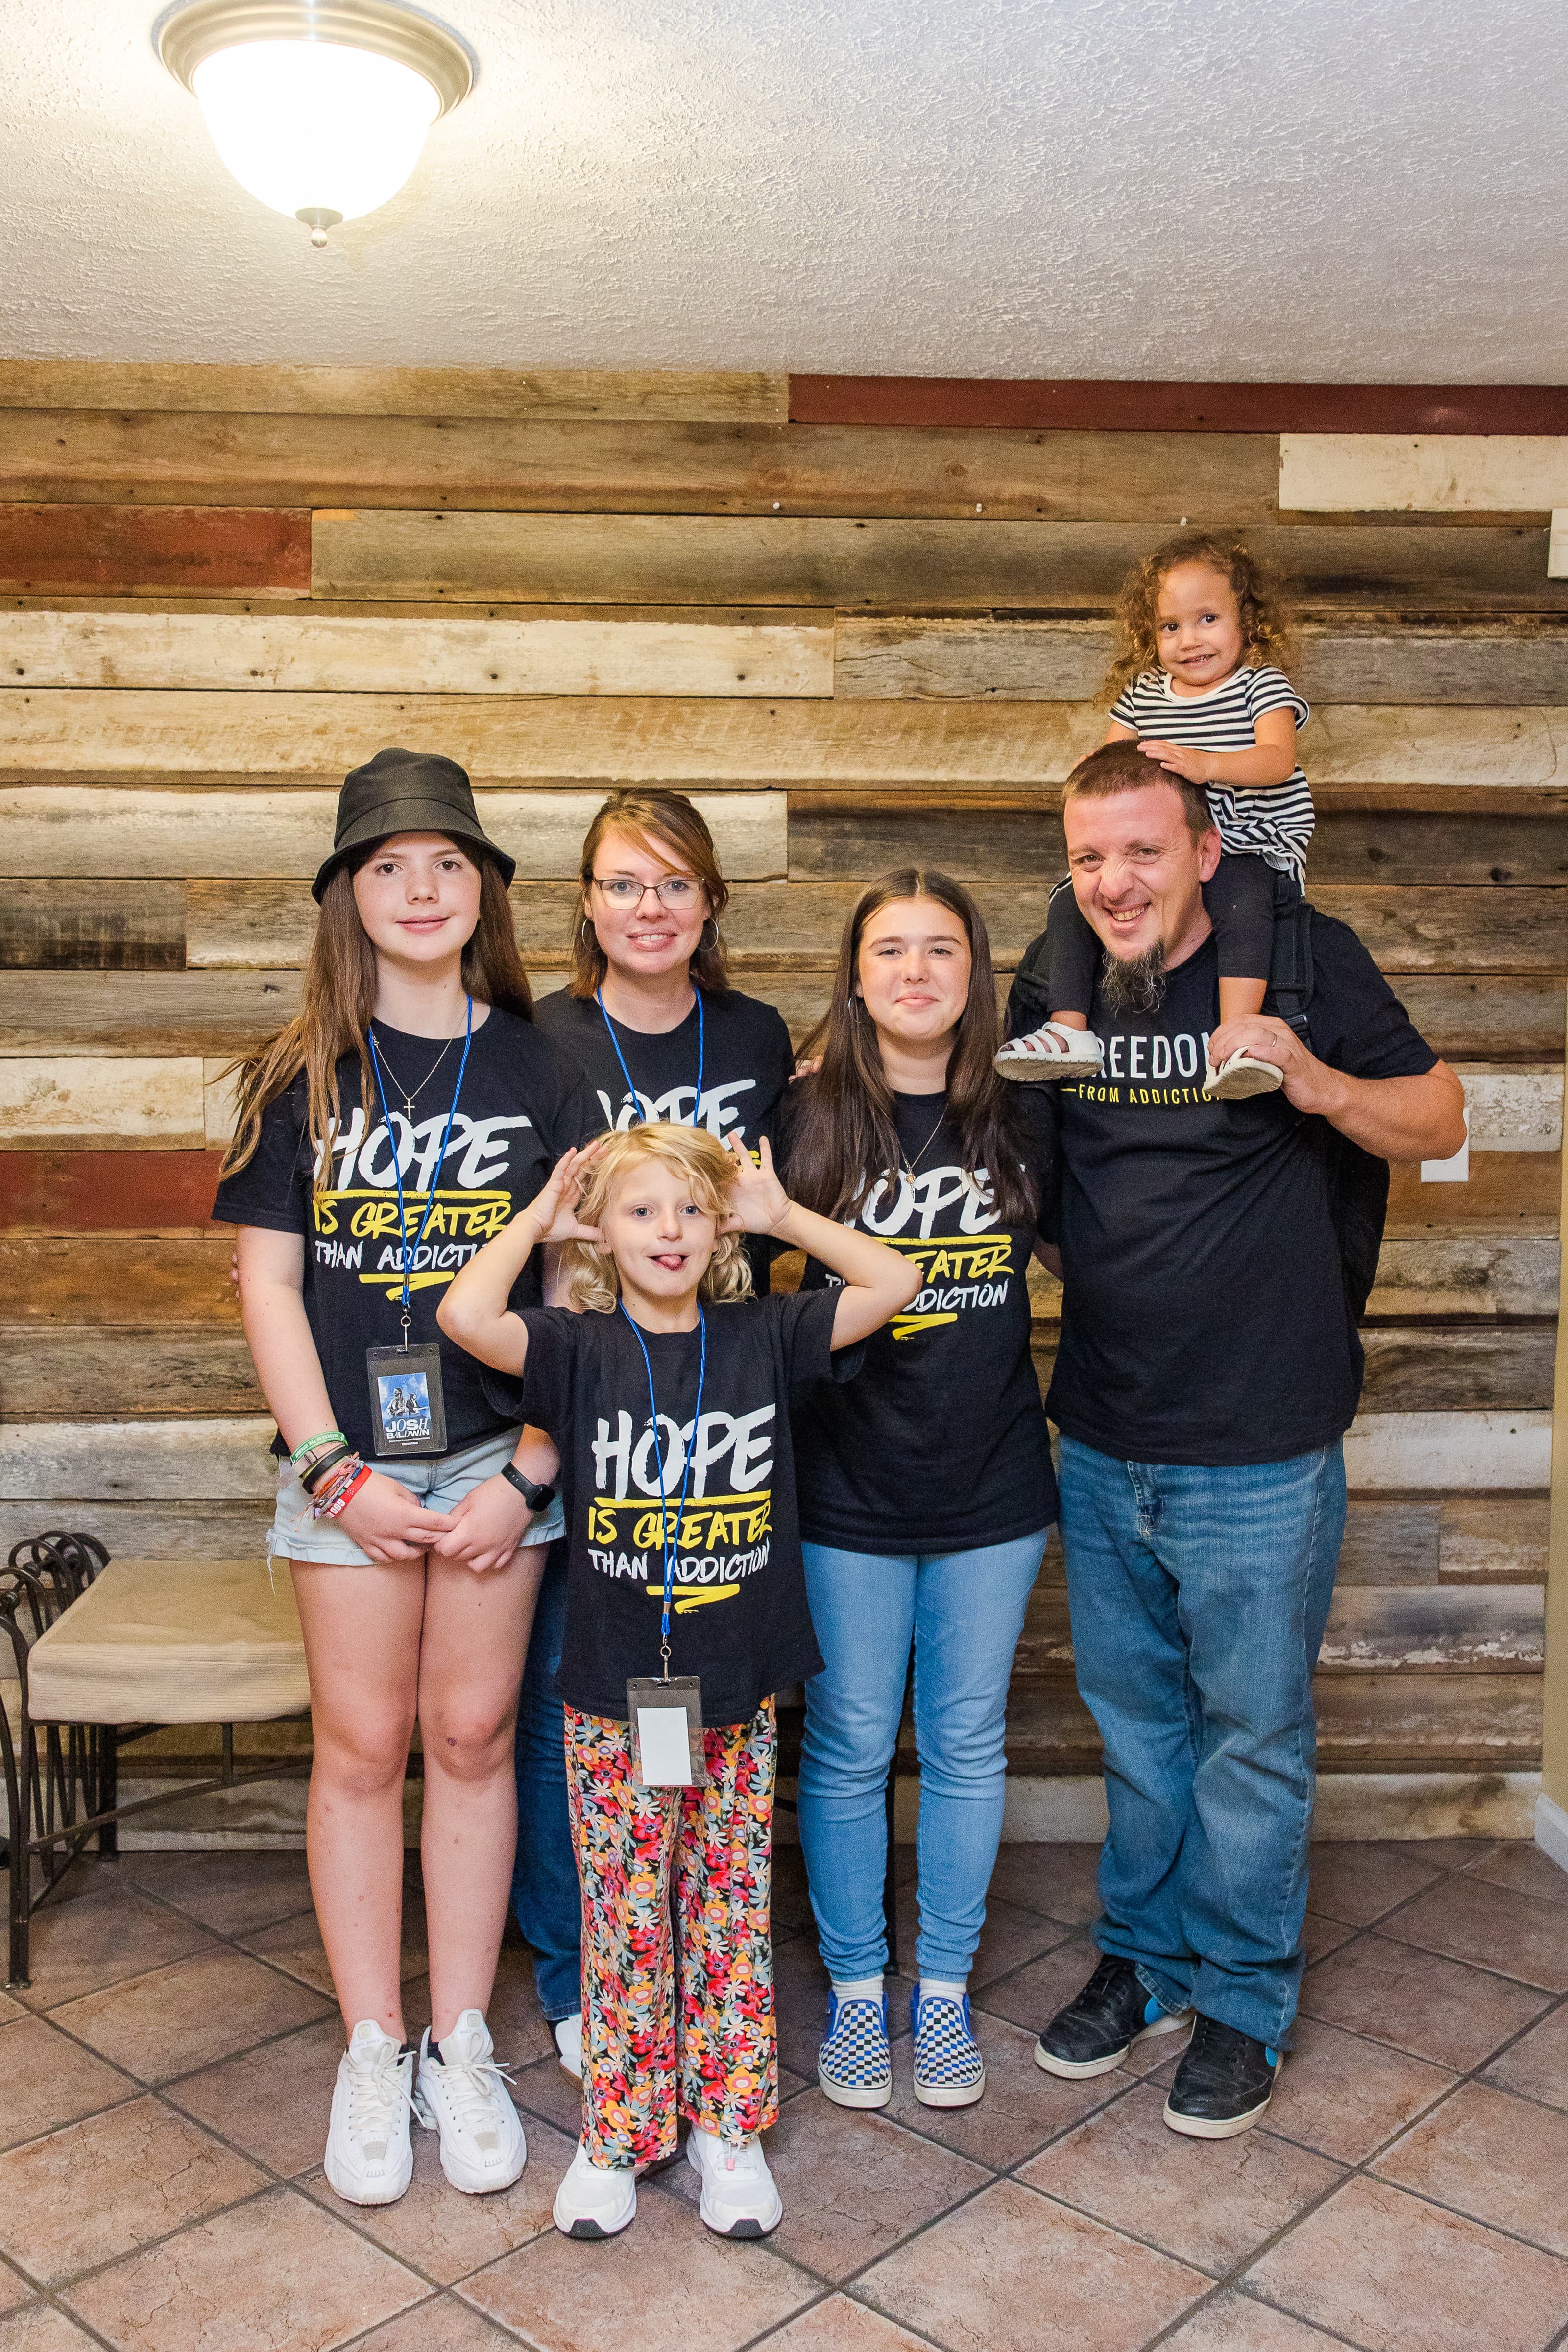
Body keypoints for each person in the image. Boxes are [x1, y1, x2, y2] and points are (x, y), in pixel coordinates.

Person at [1014, 739, 1465, 2138]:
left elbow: (1442, 1118)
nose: (1115, 881)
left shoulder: (1311, 958)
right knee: (1141, 1727)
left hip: (1263, 1444)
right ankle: (1145, 1964)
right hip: (1101, 1430)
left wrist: (1319, 1080)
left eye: (1142, 851)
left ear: (1207, 850)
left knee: (1250, 1738)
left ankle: (1244, 1999)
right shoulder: (1062, 981)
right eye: (1091, 856)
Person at [215, 748, 599, 2208]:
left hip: (502, 1460)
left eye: (447, 862)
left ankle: (459, 2037)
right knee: (364, 1750)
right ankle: (373, 2039)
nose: (421, 887)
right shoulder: (298, 1072)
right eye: (388, 865)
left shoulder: (542, 1067)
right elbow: (266, 1286)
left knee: (476, 1738)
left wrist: (536, 1468)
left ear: (485, 889)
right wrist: (330, 1471)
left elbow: (581, 1283)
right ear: (347, 897)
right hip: (348, 1473)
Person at [438, 1124, 919, 2240]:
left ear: (719, 1231)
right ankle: (625, 2128)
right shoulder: (575, 1346)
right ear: (603, 1231)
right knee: (625, 1912)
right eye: (642, 1210)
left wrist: (781, 1214)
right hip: (615, 1694)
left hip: (734, 1689)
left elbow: (896, 1280)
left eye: (690, 1211)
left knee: (727, 1906)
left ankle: (729, 2125)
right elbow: (465, 1318)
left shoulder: (765, 1332)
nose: (669, 1231)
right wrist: (538, 1219)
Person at [519, 787, 797, 2079]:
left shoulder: (754, 1032)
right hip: (581, 1399)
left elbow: (776, 1230)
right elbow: (520, 1244)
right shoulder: (541, 1038)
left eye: (676, 884)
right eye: (626, 883)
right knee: (570, 1697)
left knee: (713, 1704)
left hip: (713, 1411)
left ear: (710, 905)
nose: (651, 908)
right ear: (586, 901)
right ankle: (583, 1973)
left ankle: (697, 1970)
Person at [778, 872, 1059, 2114]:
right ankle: (855, 1990)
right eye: (887, 950)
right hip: (844, 1479)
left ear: (975, 974)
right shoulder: (802, 1118)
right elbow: (731, 1290)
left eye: (940, 949)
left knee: (962, 1741)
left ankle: (939, 1995)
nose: (913, 972)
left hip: (992, 1480)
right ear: (853, 976)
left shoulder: (1024, 1115)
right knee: (843, 1747)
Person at [998, 533, 1313, 1100]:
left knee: (1243, 903)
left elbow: (1277, 760)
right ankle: (1070, 1030)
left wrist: (1205, 764)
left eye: (1208, 619)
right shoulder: (1145, 692)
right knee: (1071, 896)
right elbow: (1115, 755)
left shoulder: (1259, 686)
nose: (1189, 640)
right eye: (1170, 626)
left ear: (1248, 620)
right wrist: (1092, 768)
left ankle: (1234, 1038)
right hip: (1165, 850)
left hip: (1249, 841)